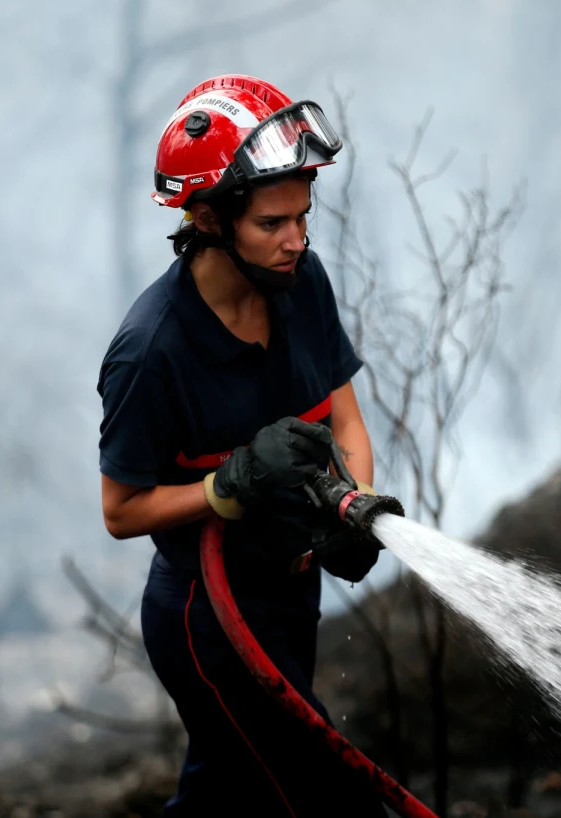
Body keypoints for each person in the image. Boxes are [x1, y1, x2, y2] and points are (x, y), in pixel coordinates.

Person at [97, 74, 388, 817]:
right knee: (321, 795)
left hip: (293, 594)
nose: (297, 239)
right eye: (271, 223)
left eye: (302, 215)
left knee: (229, 796)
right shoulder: (150, 353)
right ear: (208, 218)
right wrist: (227, 487)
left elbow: (345, 422)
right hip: (207, 619)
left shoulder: (300, 281)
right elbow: (121, 511)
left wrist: (349, 507)